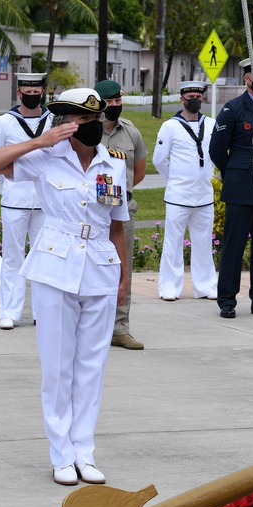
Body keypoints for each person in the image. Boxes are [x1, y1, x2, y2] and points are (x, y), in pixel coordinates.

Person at [0, 87, 128, 487]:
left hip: (100, 266)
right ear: (67, 123)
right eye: (86, 120)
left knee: (91, 368)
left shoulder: (113, 163)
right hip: (55, 265)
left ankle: (85, 451)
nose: (95, 126)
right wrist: (39, 141)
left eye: (98, 120)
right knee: (58, 367)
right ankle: (61, 454)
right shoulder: (44, 157)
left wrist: (125, 278)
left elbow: (117, 225)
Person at [208, 57, 253, 319]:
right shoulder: (233, 109)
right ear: (246, 77)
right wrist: (233, 172)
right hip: (240, 187)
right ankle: (226, 300)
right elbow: (216, 149)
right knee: (234, 246)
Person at [0, 72, 51, 330]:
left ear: (42, 92)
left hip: (47, 200)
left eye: (36, 92)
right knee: (13, 257)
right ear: (18, 93)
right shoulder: (4, 122)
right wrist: (13, 174)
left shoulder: (53, 120)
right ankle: (9, 311)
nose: (32, 96)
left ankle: (43, 311)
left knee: (44, 258)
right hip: (16, 198)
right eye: (27, 92)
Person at [153, 81, 219, 303]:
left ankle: (205, 286)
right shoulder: (170, 127)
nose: (195, 100)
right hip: (178, 196)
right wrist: (176, 178)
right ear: (182, 99)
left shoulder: (210, 124)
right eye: (191, 96)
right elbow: (159, 160)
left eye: (199, 96)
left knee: (204, 243)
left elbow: (215, 154)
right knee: (173, 243)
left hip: (204, 195)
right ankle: (169, 286)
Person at [95, 79, 148, 350]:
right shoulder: (88, 132)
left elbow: (138, 172)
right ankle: (95, 328)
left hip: (123, 209)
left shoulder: (131, 132)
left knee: (122, 269)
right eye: (109, 103)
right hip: (93, 210)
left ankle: (120, 328)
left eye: (118, 101)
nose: (114, 106)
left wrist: (119, 194)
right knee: (93, 268)